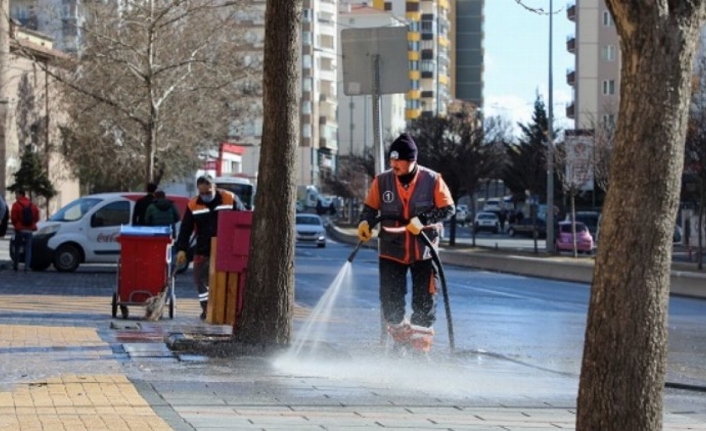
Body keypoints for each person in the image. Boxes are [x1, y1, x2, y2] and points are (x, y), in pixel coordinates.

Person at [357, 133, 455, 353]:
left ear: (412, 161)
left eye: (398, 160)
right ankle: (401, 342)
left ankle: (420, 351)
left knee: (424, 304)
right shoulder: (382, 181)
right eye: (391, 160)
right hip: (392, 250)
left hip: (424, 252)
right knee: (390, 303)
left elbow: (448, 209)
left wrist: (423, 220)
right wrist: (365, 222)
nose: (393, 164)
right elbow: (370, 209)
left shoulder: (432, 180)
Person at [175, 175, 245, 320]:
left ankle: (227, 309)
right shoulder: (193, 204)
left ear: (214, 187)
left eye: (208, 192)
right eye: (202, 193)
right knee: (200, 279)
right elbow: (185, 228)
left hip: (227, 247)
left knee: (227, 280)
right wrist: (181, 248)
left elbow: (242, 219)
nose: (206, 195)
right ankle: (207, 309)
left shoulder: (229, 198)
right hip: (204, 247)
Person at [10, 190, 40, 272]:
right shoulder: (32, 205)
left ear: (20, 195)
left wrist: (16, 225)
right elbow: (37, 217)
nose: (16, 197)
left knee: (17, 248)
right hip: (29, 230)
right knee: (28, 249)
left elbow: (13, 218)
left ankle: (16, 265)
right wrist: (32, 223)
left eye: (17, 195)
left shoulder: (16, 205)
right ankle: (27, 267)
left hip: (19, 229)